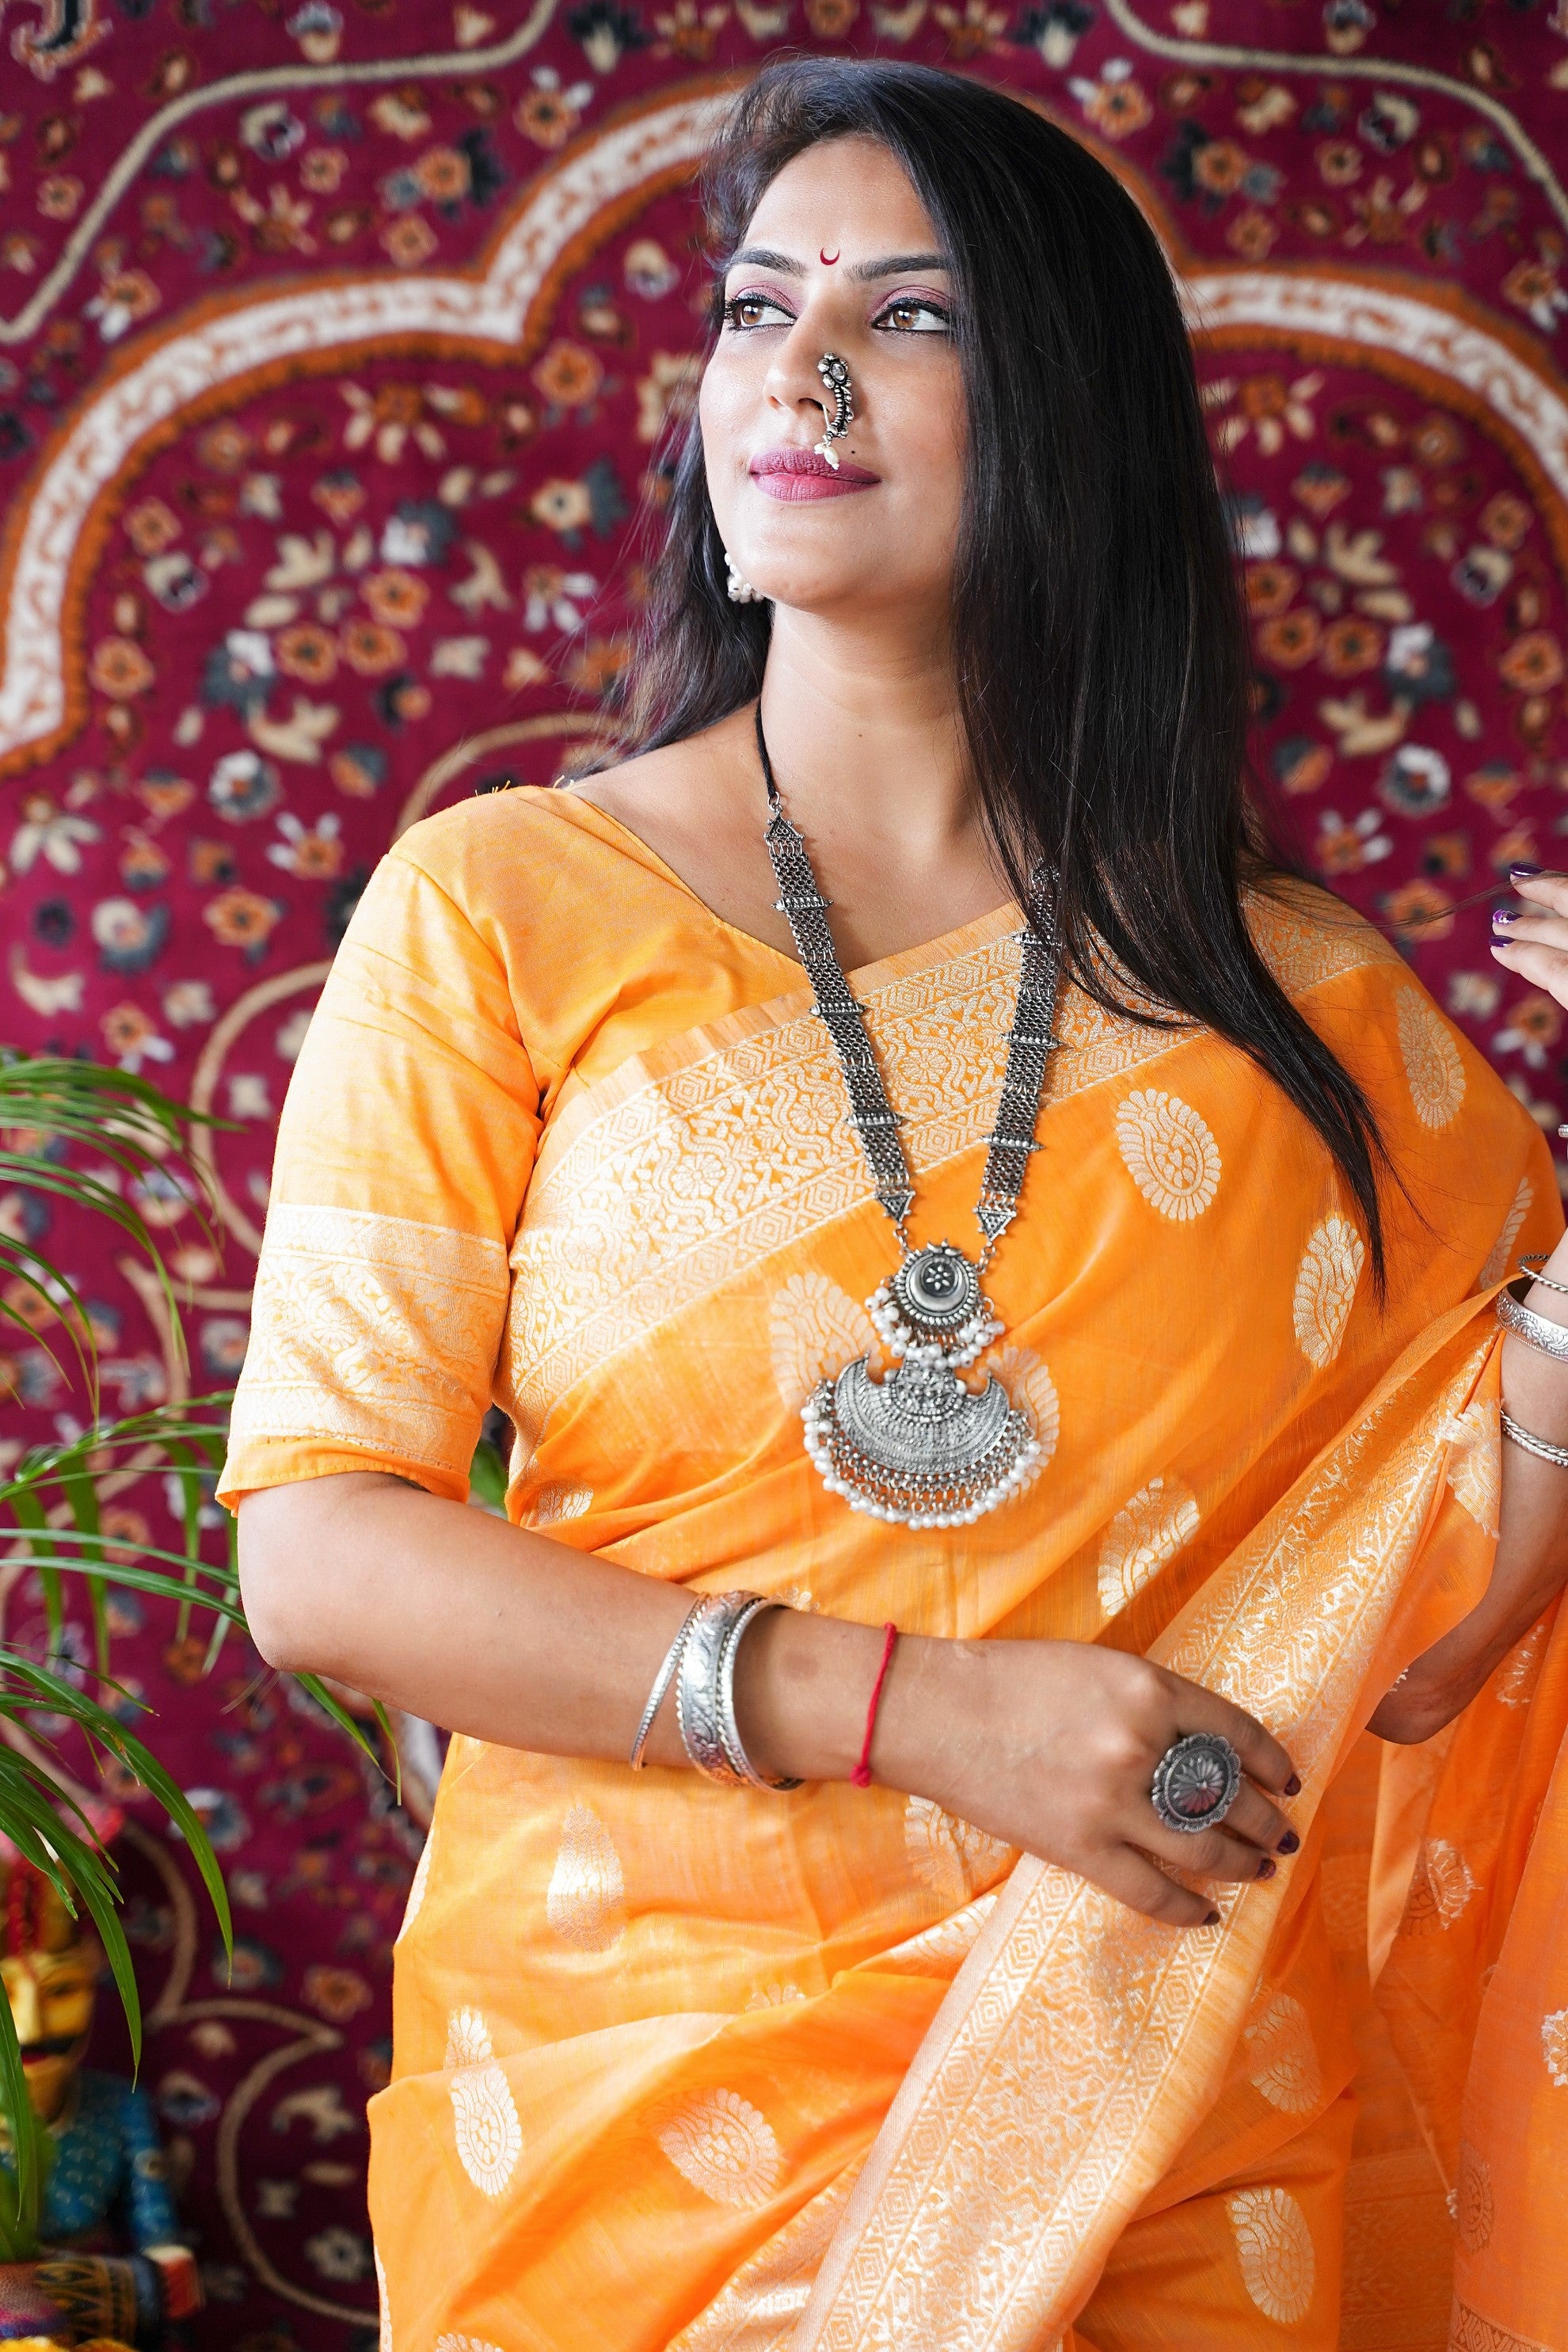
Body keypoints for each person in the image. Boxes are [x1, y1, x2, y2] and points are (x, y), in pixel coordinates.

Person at [221, 59, 1568, 2352]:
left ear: (1070, 414)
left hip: (1154, 2097)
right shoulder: (501, 912)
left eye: (909, 315)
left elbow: (1445, 1600)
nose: (799, 365)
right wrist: (917, 1710)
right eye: (759, 304)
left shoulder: (1295, 1009)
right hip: (638, 2117)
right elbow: (319, 1545)